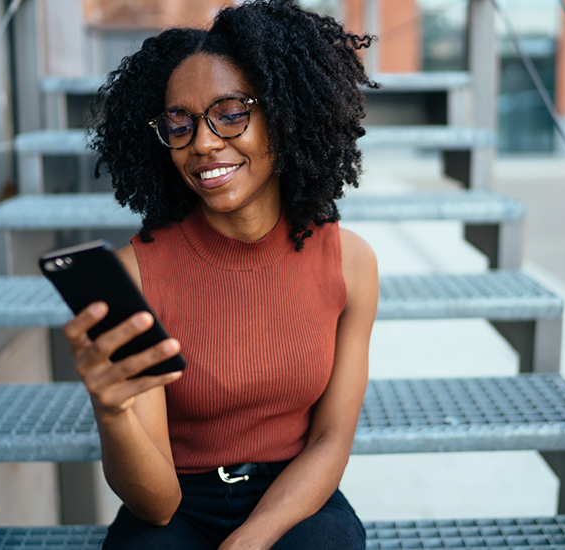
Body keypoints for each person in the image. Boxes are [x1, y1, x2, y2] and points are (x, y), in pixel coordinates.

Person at [64, 1, 379, 548]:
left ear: (283, 114)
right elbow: (155, 503)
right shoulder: (135, 274)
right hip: (179, 505)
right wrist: (110, 409)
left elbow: (330, 441)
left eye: (231, 112)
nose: (203, 142)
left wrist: (252, 538)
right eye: (179, 123)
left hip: (297, 495)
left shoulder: (350, 263)